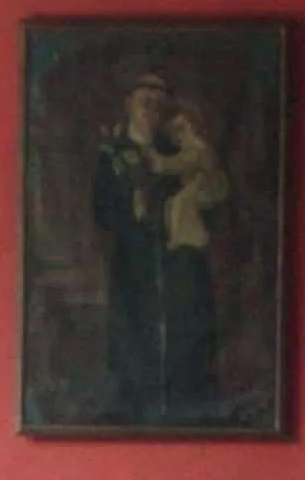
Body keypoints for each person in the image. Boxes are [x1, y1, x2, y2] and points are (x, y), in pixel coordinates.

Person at [91, 71, 225, 421]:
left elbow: (206, 195)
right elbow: (102, 208)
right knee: (135, 326)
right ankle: (137, 404)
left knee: (188, 319)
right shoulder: (113, 155)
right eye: (143, 101)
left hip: (178, 256)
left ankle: (187, 399)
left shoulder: (174, 151)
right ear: (129, 106)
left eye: (157, 103)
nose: (150, 108)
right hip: (135, 258)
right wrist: (133, 218)